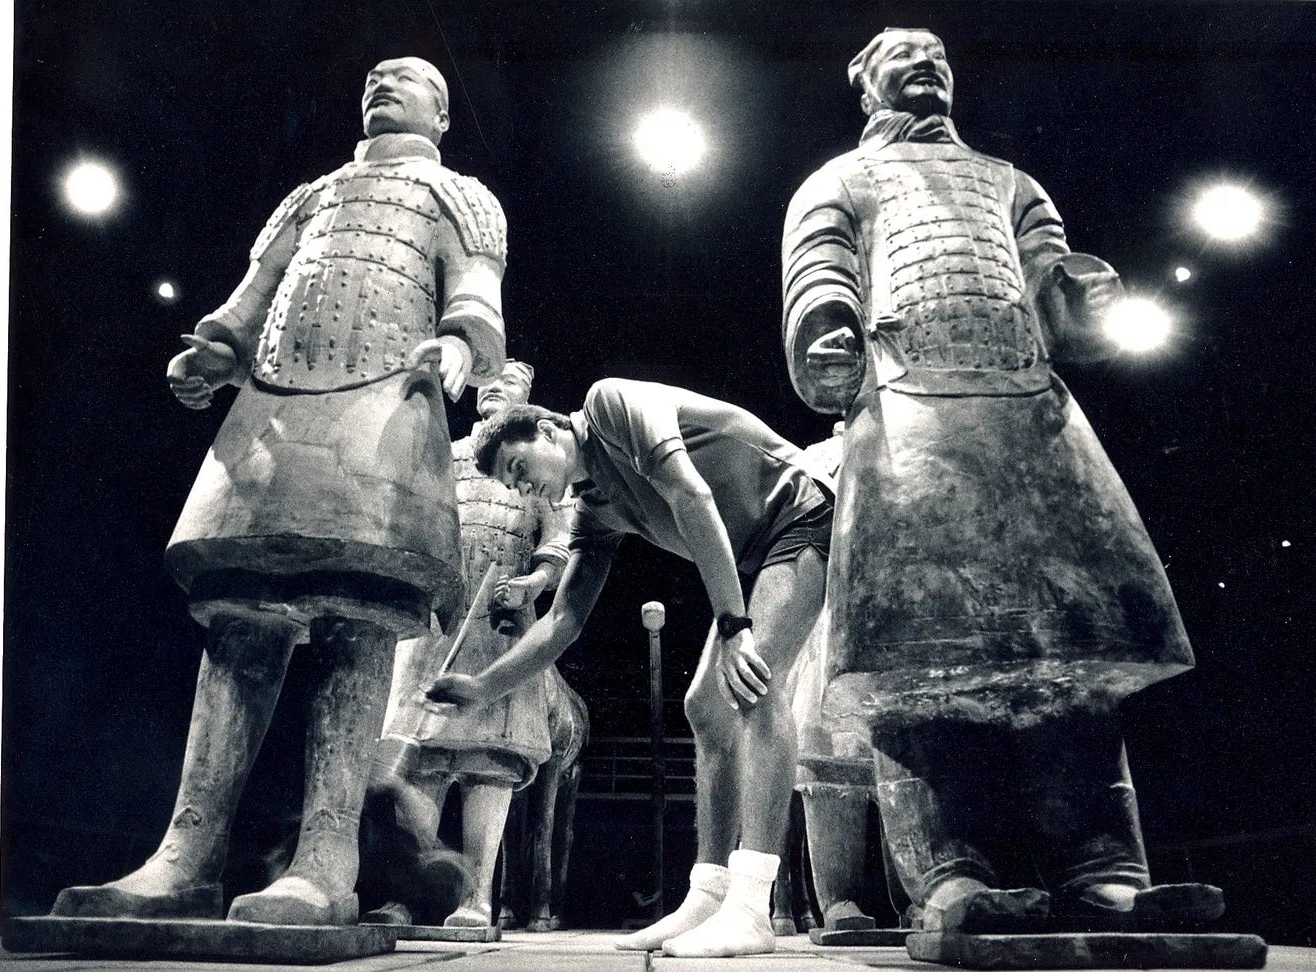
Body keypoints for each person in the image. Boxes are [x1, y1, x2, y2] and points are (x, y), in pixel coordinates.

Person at [781, 28, 1223, 934]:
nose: (927, 60)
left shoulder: (1011, 180)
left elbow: (1050, 287)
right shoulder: (839, 180)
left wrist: (1079, 298)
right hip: (908, 412)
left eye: (937, 50)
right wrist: (825, 325)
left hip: (1030, 415)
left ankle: (1105, 866)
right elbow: (819, 268)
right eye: (901, 52)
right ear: (864, 84)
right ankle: (948, 875)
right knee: (921, 664)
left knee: (1075, 660)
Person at [52, 56, 507, 926]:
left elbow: (475, 293)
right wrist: (217, 353)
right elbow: (252, 298)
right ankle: (186, 853)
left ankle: (327, 859)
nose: (381, 82)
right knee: (240, 620)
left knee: (359, 618)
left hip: (388, 402)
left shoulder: (464, 196)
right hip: (274, 413)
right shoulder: (312, 194)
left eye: (407, 79)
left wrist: (456, 347)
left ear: (442, 116)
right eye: (374, 75)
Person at [428, 378, 832, 956]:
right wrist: (480, 687)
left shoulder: (609, 405)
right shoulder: (593, 510)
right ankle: (708, 897)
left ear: (547, 429)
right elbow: (563, 621)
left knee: (752, 683)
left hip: (803, 516)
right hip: (762, 551)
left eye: (520, 467)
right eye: (513, 485)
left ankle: (752, 907)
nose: (526, 489)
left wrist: (735, 626)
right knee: (704, 708)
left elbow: (691, 497)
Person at [365, 360, 570, 930]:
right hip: (439, 622)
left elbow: (560, 539)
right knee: (423, 758)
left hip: (502, 626)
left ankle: (476, 898)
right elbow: (418, 520)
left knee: (488, 766)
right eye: (489, 380)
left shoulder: (540, 469)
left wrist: (533, 582)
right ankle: (406, 896)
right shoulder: (449, 454)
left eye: (511, 382)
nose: (495, 388)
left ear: (527, 400)